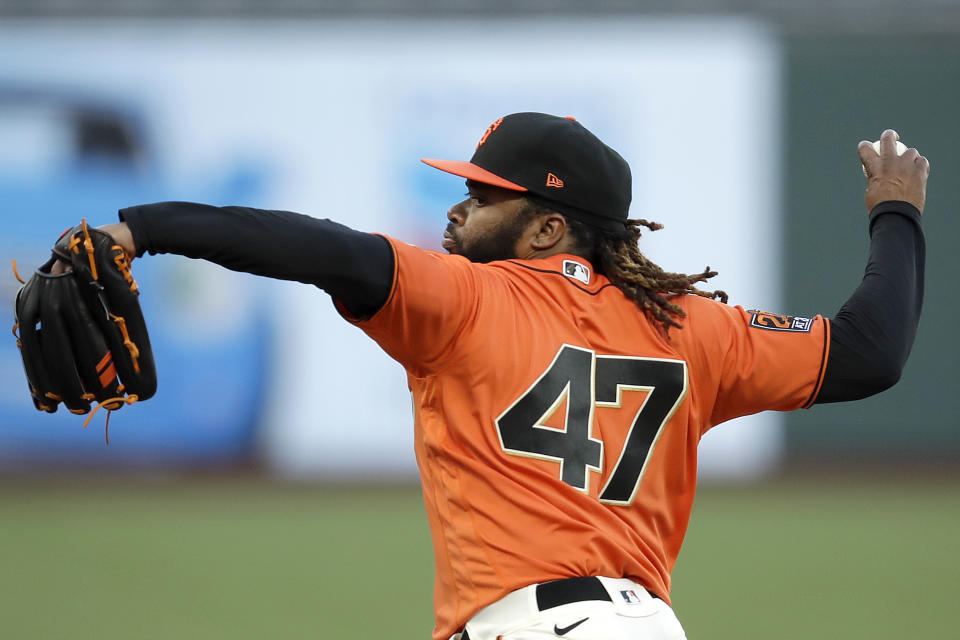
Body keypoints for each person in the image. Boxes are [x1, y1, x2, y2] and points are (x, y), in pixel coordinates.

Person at [88, 113, 926, 639]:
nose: (459, 208)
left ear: (546, 228)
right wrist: (897, 212)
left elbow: (319, 248)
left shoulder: (463, 299)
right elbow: (870, 351)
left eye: (485, 196)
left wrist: (142, 229)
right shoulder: (696, 327)